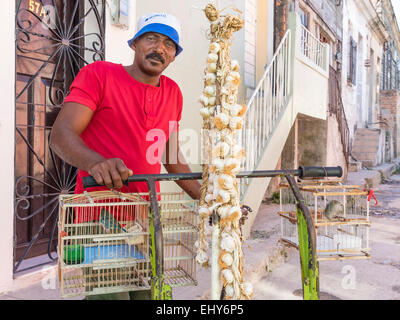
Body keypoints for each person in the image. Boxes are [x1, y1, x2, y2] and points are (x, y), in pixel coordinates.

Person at [50, 12, 201, 300]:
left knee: (148, 296)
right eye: (152, 38)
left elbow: (170, 156)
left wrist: (207, 198)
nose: (159, 48)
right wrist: (95, 162)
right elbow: (60, 135)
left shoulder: (173, 94)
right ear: (135, 43)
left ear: (174, 55)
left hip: (144, 218)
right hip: (99, 216)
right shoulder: (100, 75)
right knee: (112, 296)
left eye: (169, 44)